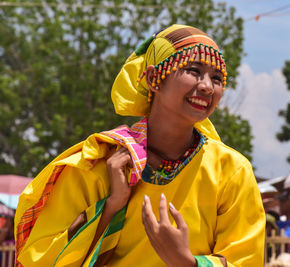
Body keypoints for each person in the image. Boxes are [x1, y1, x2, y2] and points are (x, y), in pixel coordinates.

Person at [14, 24, 266, 266]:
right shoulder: (96, 163)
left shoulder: (231, 171)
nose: (207, 86)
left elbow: (244, 261)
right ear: (155, 78)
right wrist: (111, 206)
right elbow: (41, 259)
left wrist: (186, 263)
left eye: (217, 78)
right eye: (193, 70)